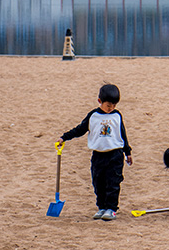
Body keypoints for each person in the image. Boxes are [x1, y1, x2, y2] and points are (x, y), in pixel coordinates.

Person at [57, 83, 133, 221]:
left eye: (114, 105)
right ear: (99, 101)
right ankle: (102, 207)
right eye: (108, 105)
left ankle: (111, 209)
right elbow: (80, 129)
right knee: (98, 182)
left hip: (115, 154)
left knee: (113, 182)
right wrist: (64, 137)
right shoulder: (93, 116)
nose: (111, 109)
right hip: (98, 155)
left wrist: (128, 152)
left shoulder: (117, 115)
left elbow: (122, 134)